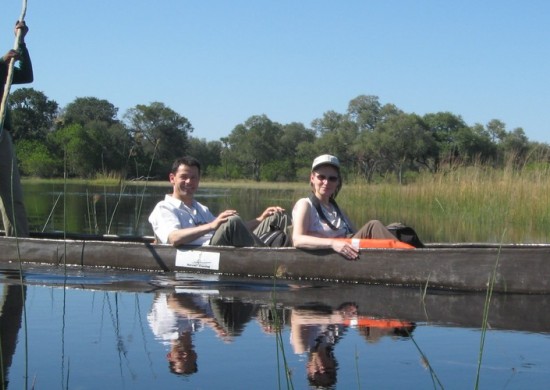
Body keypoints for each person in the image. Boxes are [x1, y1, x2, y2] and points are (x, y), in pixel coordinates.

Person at [149, 156, 289, 247]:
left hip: (218, 243)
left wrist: (260, 219)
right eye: (184, 177)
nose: (189, 182)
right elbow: (174, 238)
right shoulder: (164, 208)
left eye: (194, 178)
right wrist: (211, 226)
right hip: (204, 252)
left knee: (276, 217)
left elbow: (232, 231)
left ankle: (296, 253)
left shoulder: (200, 208)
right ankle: (271, 260)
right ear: (172, 178)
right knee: (232, 221)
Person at [292, 154, 400, 260]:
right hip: (326, 257)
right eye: (321, 177)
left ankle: (408, 253)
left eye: (332, 178)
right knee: (373, 225)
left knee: (397, 227)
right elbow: (297, 239)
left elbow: (356, 234)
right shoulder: (305, 204)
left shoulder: (336, 210)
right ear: (312, 178)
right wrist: (333, 244)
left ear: (337, 181)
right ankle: (409, 257)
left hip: (348, 254)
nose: (326, 182)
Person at [0, 21, 32, 237]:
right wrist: (3, 61)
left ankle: (20, 245)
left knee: (12, 195)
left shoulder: (2, 71)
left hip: (3, 132)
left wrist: (21, 42)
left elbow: (26, 76)